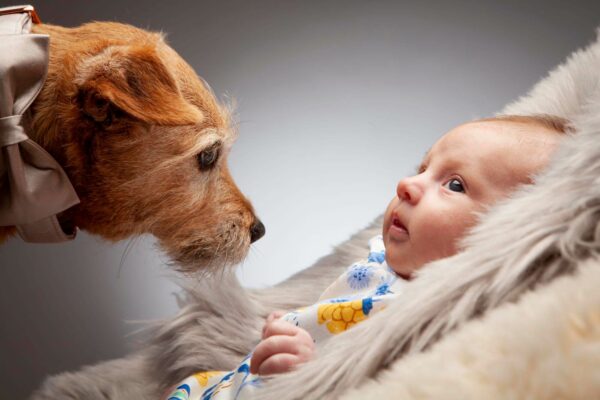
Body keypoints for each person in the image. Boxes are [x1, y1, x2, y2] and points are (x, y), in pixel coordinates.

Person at [165, 114, 567, 400]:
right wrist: (292, 327)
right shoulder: (384, 263)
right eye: (424, 168)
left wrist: (311, 373)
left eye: (455, 184)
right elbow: (332, 317)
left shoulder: (436, 320)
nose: (408, 184)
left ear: (508, 234)